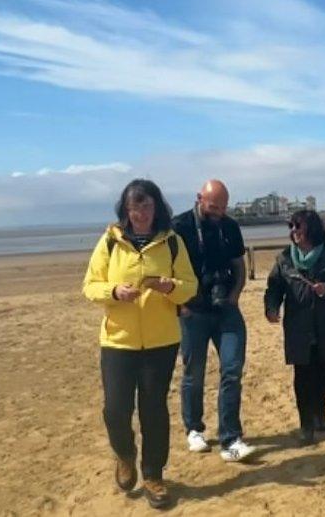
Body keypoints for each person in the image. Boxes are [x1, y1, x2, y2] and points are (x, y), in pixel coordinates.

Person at [82, 179, 198, 509]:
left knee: (154, 410)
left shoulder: (172, 241)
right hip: (118, 341)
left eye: (147, 206)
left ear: (157, 208)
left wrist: (169, 287)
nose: (142, 214)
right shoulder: (110, 241)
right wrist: (114, 292)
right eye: (135, 207)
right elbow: (90, 285)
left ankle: (153, 475)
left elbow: (190, 286)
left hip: (161, 342)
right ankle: (125, 455)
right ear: (126, 210)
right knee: (116, 409)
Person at [172, 180, 256, 462]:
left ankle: (230, 438)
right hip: (192, 310)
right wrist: (180, 304)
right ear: (199, 199)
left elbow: (238, 265)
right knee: (193, 372)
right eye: (213, 206)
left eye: (223, 207)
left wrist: (235, 294)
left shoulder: (230, 227)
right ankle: (194, 429)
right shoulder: (179, 227)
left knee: (232, 370)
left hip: (226, 309)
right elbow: (167, 269)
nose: (219, 212)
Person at [264, 210, 325, 446]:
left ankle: (319, 413)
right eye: (291, 227)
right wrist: (271, 308)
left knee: (323, 371)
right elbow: (274, 288)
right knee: (302, 375)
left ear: (311, 229)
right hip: (297, 327)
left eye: (298, 227)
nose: (294, 232)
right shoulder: (284, 258)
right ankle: (306, 424)